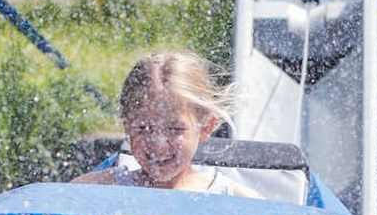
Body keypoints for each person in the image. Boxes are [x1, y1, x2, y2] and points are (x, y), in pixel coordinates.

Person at [74, 52, 259, 197]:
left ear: (206, 127)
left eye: (175, 129)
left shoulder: (233, 201)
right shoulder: (95, 191)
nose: (158, 144)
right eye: (143, 128)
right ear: (127, 126)